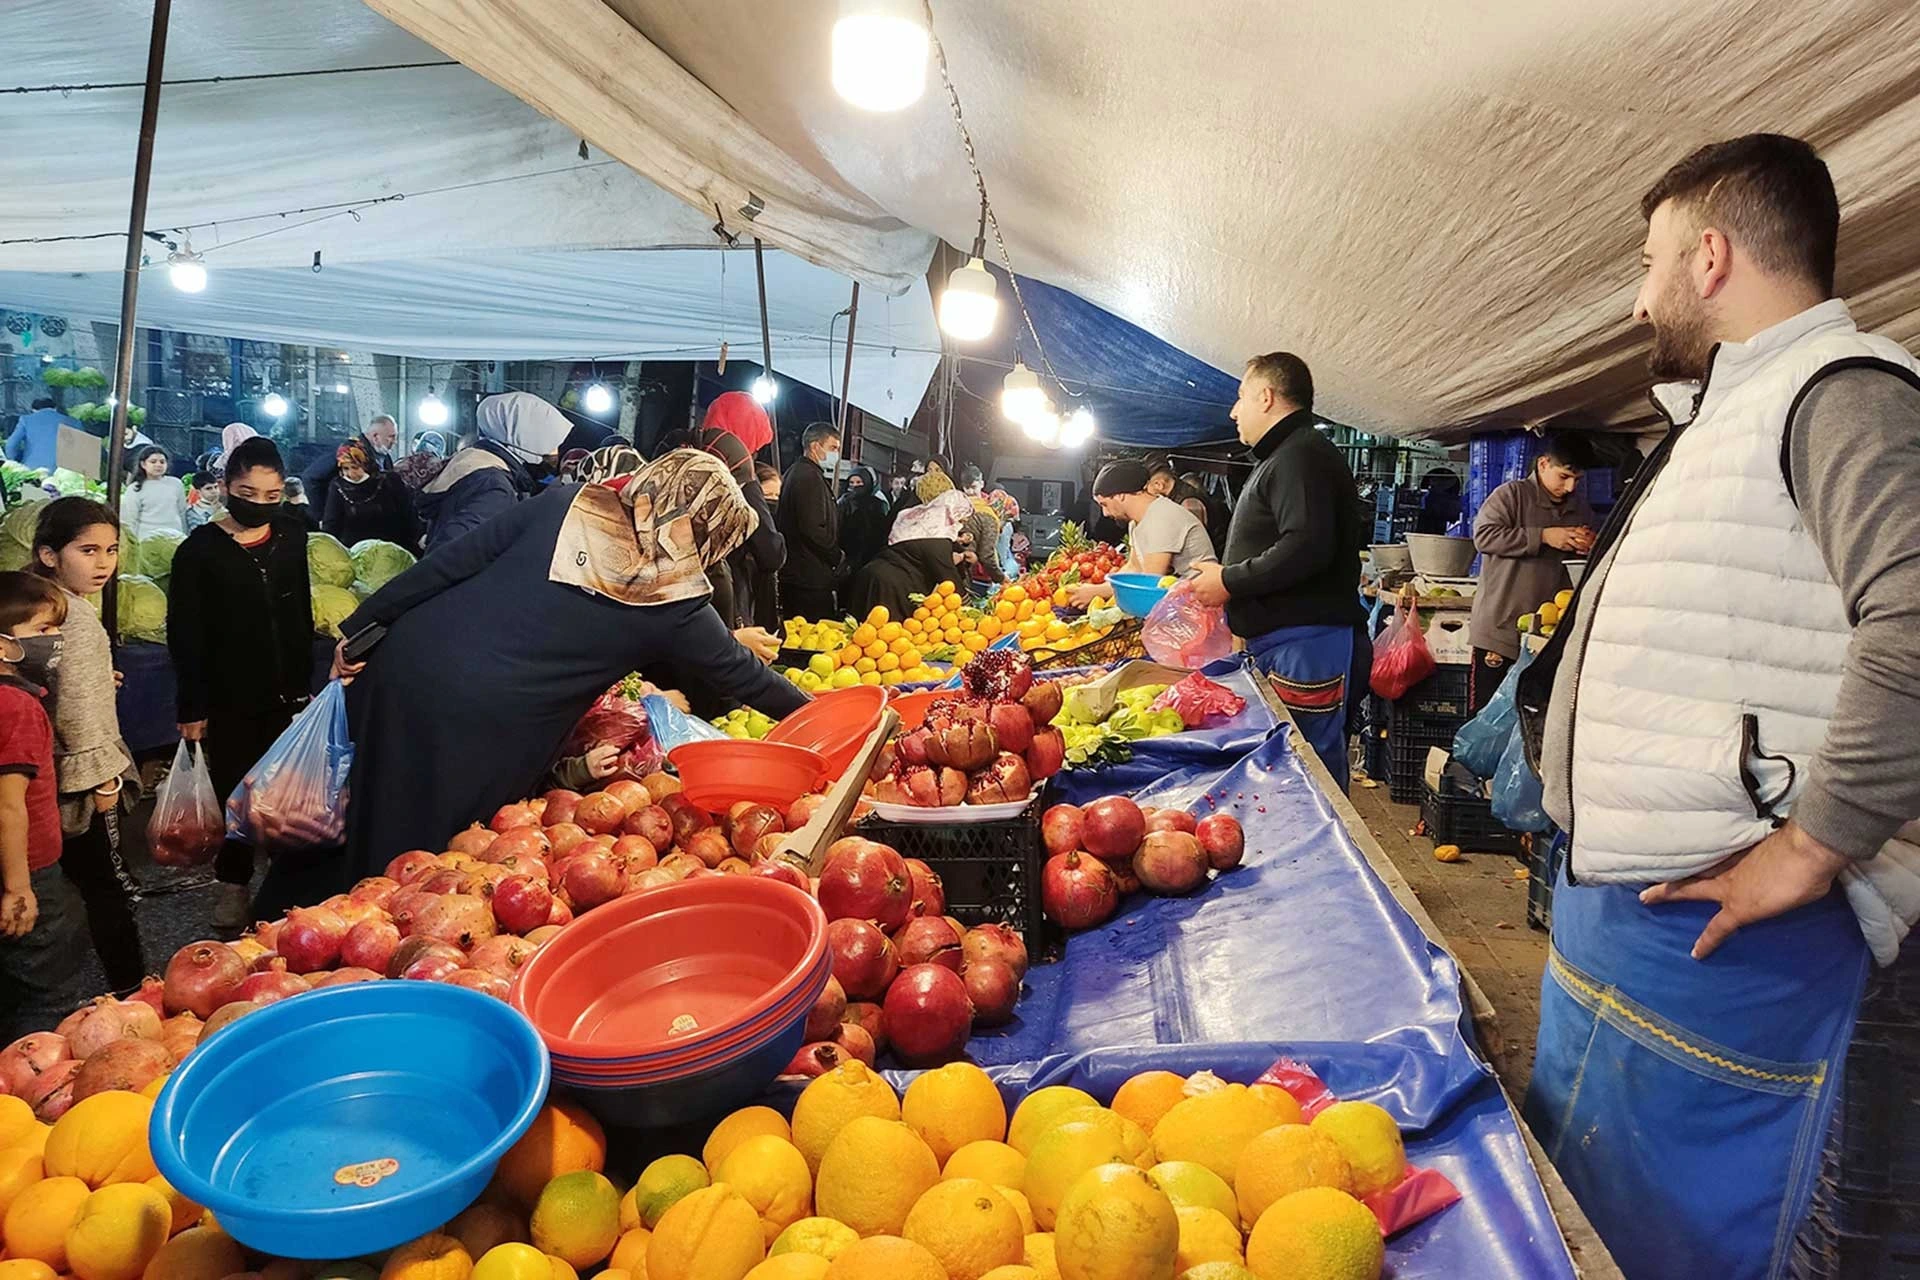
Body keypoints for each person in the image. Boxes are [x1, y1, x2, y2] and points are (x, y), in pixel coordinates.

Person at [1515, 134, 1920, 1280]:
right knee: (1594, 1221)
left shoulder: (1843, 394)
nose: (1641, 298)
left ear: (1708, 255)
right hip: (1641, 923)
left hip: (1735, 938)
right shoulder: (1726, 412)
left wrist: (1811, 845)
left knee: (1674, 1243)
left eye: (1649, 264)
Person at [337, 450, 808, 871]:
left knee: (367, 813)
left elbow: (449, 563)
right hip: (484, 729)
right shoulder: (674, 599)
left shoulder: (567, 503)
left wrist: (359, 629)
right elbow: (748, 677)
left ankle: (312, 918)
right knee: (425, 861)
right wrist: (827, 716)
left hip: (408, 663)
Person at [1190, 353, 1365, 790]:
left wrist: (1229, 580)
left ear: (1266, 397)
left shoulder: (1300, 455)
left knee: (1307, 772)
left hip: (1307, 646)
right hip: (1288, 642)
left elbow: (1306, 545)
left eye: (1241, 397)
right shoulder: (1286, 454)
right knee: (1291, 765)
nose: (1234, 411)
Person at [168, 438, 321, 932]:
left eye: (271, 494)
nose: (259, 503)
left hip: (290, 694)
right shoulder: (198, 552)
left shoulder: (293, 535)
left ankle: (284, 891)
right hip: (230, 698)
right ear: (224, 487)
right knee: (237, 794)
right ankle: (232, 885)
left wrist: (308, 683)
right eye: (246, 492)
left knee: (289, 797)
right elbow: (185, 634)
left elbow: (301, 611)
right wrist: (192, 705)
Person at [31, 499, 143, 991]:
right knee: (108, 891)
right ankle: (135, 990)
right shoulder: (73, 617)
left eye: (112, 550)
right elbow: (78, 713)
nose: (103, 563)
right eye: (88, 550)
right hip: (79, 780)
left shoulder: (32, 602)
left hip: (38, 774)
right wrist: (105, 779)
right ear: (50, 554)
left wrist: (99, 677)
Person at [0, 571, 90, 1041]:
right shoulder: (15, 707)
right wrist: (19, 888)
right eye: (41, 631)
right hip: (27, 868)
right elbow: (9, 806)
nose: (54, 641)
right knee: (46, 991)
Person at [1465, 428, 1597, 712]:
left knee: (1532, 722)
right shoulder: (1511, 495)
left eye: (1577, 479)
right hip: (1500, 634)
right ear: (1543, 464)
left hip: (1546, 639)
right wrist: (1544, 536)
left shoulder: (1580, 509)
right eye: (1564, 476)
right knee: (1486, 722)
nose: (1571, 487)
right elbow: (1484, 536)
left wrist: (1590, 546)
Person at [418, 392, 570, 553]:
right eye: (552, 444)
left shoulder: (474, 464)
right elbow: (448, 556)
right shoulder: (494, 487)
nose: (555, 453)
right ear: (525, 437)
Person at [1069, 460, 1216, 606]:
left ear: (1120, 495)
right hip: (1176, 604)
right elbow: (1134, 567)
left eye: (1104, 504)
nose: (1105, 513)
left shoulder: (1161, 517)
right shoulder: (1136, 522)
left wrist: (1097, 592)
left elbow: (1150, 580)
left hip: (1198, 606)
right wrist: (1099, 586)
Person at [699, 429, 784, 631]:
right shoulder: (745, 493)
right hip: (732, 600)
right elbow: (772, 554)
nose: (772, 504)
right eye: (768, 498)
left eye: (777, 497)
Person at [777, 423, 843, 622]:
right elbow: (812, 528)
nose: (836, 454)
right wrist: (836, 555)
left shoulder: (798, 472)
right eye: (833, 448)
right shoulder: (807, 477)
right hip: (808, 577)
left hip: (801, 573)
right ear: (815, 447)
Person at [848, 533, 974, 621]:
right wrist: (970, 611)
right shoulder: (937, 541)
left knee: (860, 632)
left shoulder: (919, 529)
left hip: (872, 573)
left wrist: (960, 557)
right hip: (890, 586)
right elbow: (950, 581)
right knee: (880, 636)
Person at [322, 441, 417, 549]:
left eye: (355, 467)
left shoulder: (390, 481)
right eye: (346, 468)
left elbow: (408, 514)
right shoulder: (337, 487)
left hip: (393, 550)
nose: (351, 474)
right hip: (354, 553)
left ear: (365, 464)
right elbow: (331, 524)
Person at [304, 413, 397, 514]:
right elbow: (311, 477)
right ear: (375, 436)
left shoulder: (385, 457)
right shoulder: (347, 452)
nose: (394, 441)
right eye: (391, 437)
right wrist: (322, 516)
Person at [118, 446, 187, 542]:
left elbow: (182, 512)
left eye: (162, 462)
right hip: (147, 541)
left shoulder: (176, 484)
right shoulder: (134, 488)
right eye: (153, 462)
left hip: (176, 537)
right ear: (143, 464)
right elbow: (130, 520)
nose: (158, 465)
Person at [837, 465, 891, 575]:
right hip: (848, 556)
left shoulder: (877, 504)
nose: (854, 486)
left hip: (871, 557)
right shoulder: (844, 502)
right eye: (851, 483)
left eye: (859, 482)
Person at [5, 398, 82, 472]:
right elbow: (83, 449)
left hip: (33, 471)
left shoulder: (26, 420)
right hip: (64, 472)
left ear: (33, 410)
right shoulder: (74, 422)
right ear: (55, 408)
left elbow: (10, 445)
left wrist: (14, 461)